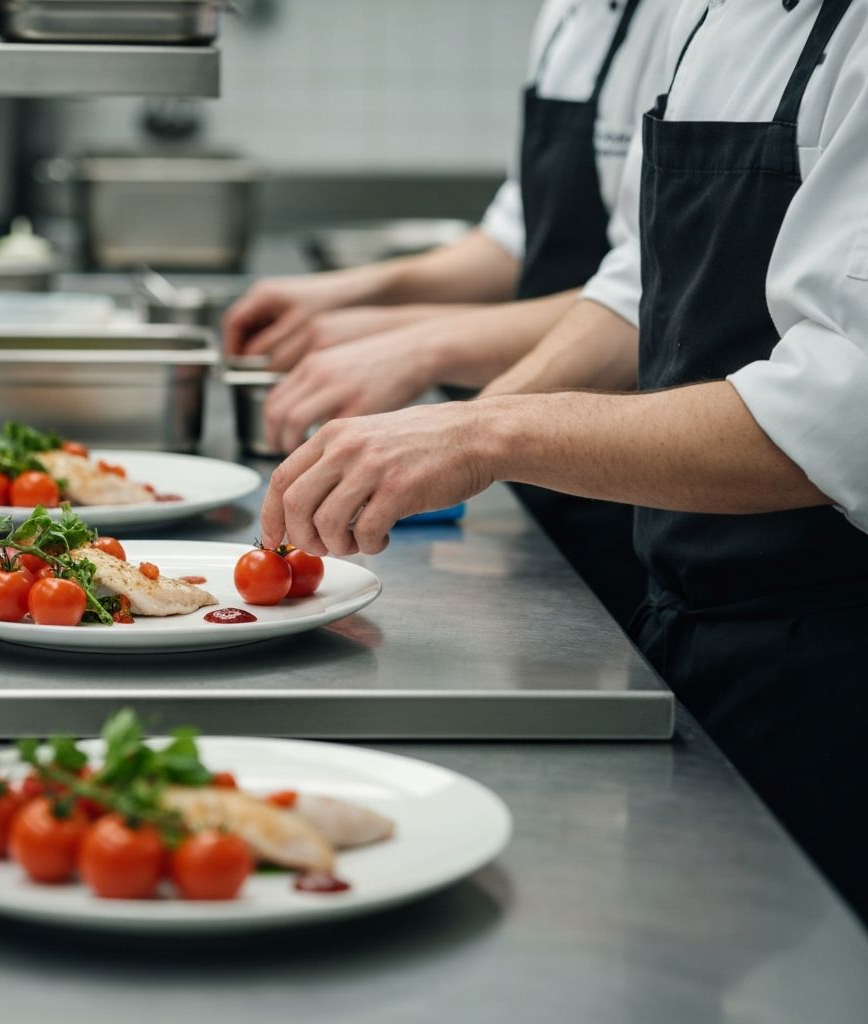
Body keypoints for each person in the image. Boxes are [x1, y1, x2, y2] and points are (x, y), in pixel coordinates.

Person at [259, 0, 868, 922]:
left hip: (837, 650)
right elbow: (635, 284)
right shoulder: (710, 14)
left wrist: (485, 434)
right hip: (691, 605)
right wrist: (467, 432)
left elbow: (840, 414)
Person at [226, 0, 676, 627]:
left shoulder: (688, 20)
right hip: (550, 451)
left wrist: (428, 360)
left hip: (635, 462)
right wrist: (354, 293)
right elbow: (518, 241)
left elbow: (654, 294)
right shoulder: (568, 16)